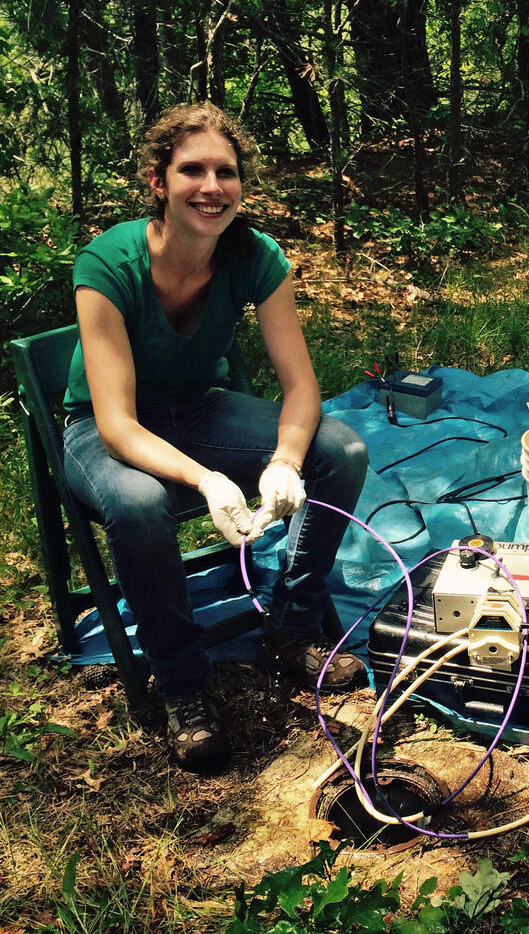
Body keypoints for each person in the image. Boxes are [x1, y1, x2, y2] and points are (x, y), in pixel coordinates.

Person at [61, 102, 369, 772]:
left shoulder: (254, 258)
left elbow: (302, 388)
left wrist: (286, 461)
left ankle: (289, 629)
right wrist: (205, 479)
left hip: (201, 410)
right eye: (191, 169)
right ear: (157, 180)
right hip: (103, 430)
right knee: (140, 506)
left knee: (340, 450)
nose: (211, 186)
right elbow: (115, 422)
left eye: (225, 172)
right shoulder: (108, 263)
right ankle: (182, 685)